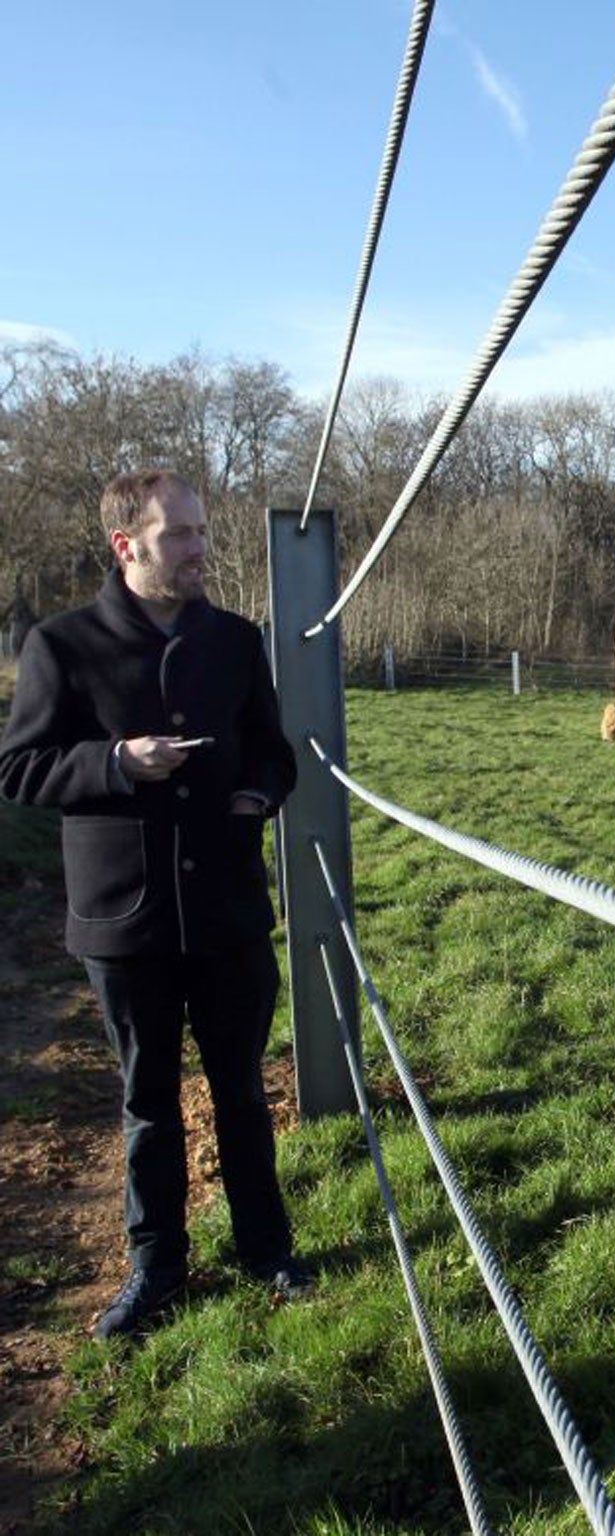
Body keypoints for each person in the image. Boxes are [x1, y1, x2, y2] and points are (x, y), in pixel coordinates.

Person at [0, 469, 311, 1339]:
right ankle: (157, 1267)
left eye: (203, 532)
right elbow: (18, 769)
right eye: (180, 535)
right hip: (123, 920)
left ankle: (267, 1250)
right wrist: (114, 764)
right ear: (125, 544)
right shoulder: (61, 646)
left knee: (242, 1090)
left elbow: (273, 755)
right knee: (147, 1099)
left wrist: (255, 799)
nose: (201, 549)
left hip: (227, 911)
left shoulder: (237, 641)